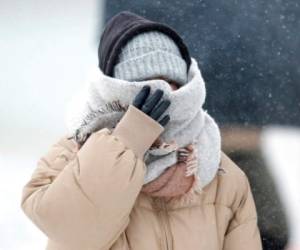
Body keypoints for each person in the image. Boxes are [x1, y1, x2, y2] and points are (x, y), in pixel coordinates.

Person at [20, 11, 262, 250]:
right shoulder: (69, 154)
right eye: (144, 84)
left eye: (170, 83)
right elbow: (73, 233)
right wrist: (127, 142)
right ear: (114, 87)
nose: (161, 94)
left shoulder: (220, 173)